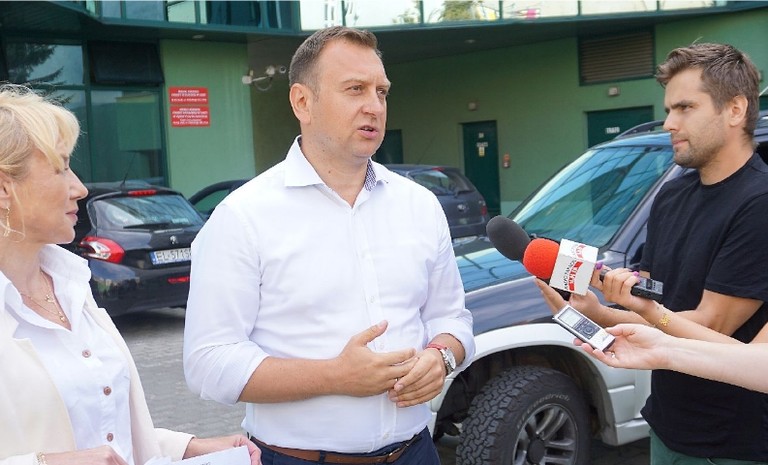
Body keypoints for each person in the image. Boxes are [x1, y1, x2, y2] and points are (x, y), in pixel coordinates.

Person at [183, 26, 475, 465]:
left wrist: (441, 358)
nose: (374, 106)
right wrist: (334, 377)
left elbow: (453, 317)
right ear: (302, 102)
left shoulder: (420, 205)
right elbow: (208, 362)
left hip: (415, 452)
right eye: (355, 89)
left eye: (381, 91)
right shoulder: (242, 217)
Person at [0, 84, 262, 465]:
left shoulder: (73, 287)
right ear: (4, 187)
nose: (80, 188)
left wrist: (187, 448)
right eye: (61, 167)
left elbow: (105, 434)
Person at [537, 42, 768, 464]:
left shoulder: (759, 202)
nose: (669, 123)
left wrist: (631, 311)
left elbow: (711, 325)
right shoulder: (671, 195)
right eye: (669, 109)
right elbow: (652, 300)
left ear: (735, 110)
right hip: (666, 425)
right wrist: (598, 312)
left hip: (733, 443)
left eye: (685, 108)